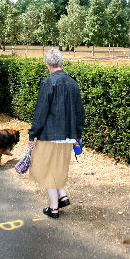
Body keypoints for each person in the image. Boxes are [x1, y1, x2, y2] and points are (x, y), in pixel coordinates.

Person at [28, 48, 85, 219]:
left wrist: (32, 135)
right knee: (58, 167)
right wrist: (78, 135)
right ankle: (62, 194)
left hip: (49, 135)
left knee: (45, 168)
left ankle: (53, 208)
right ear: (62, 63)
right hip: (67, 136)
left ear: (47, 64)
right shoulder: (73, 84)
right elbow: (79, 112)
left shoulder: (48, 83)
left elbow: (41, 112)